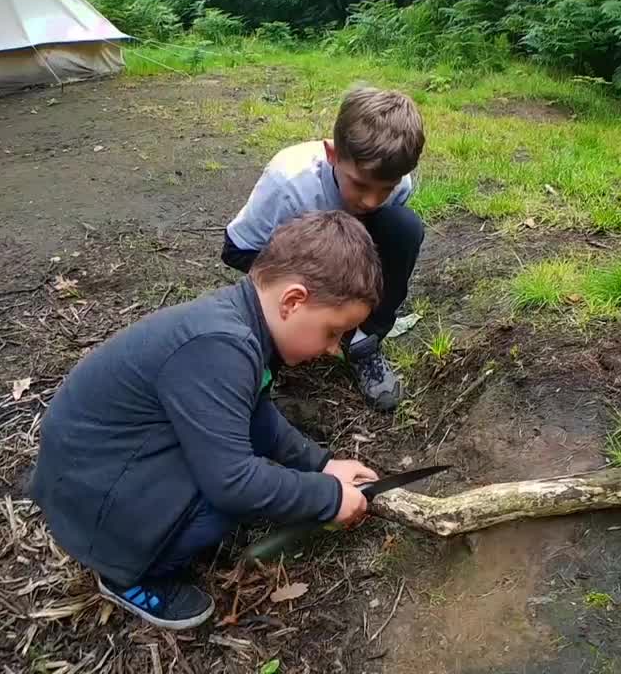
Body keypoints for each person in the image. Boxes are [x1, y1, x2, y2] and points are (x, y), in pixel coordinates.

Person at [31, 211, 383, 630]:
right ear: (293, 301)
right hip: (92, 495)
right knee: (220, 508)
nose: (332, 349)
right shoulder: (221, 347)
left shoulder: (238, 324)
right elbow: (233, 483)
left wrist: (319, 464)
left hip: (104, 466)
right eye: (332, 331)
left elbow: (254, 414)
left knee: (237, 475)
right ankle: (125, 575)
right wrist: (328, 497)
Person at [221, 86, 426, 411]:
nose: (371, 200)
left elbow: (382, 234)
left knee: (404, 227)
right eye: (359, 184)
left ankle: (362, 341)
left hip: (342, 240)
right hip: (276, 251)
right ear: (332, 154)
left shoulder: (397, 180)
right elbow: (238, 249)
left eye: (384, 189)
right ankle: (263, 365)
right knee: (286, 308)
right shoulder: (289, 183)